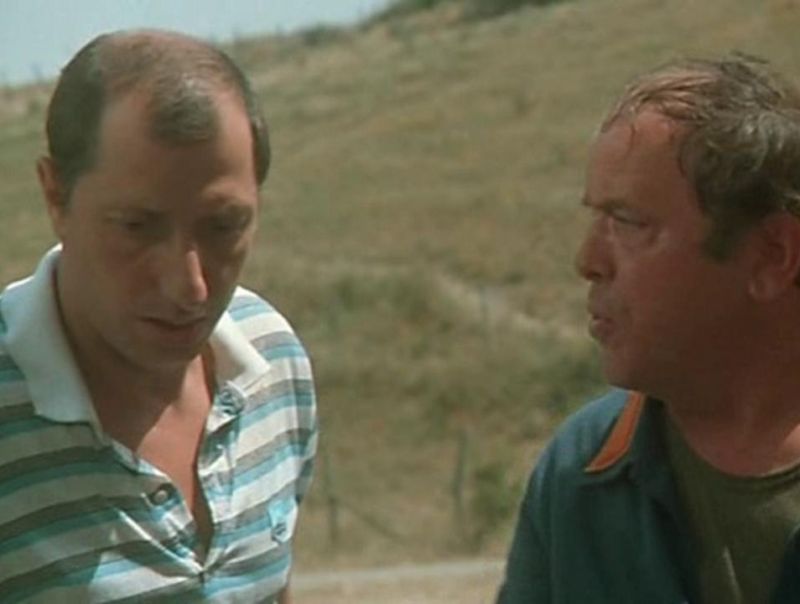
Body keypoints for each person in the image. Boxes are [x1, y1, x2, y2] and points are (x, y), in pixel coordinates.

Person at [0, 30, 316, 603]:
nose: (189, 287)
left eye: (223, 227)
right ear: (55, 197)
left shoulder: (272, 360)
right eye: (137, 228)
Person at [497, 53, 800, 603]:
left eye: (628, 222)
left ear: (772, 255)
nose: (588, 260)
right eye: (596, 218)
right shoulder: (582, 468)